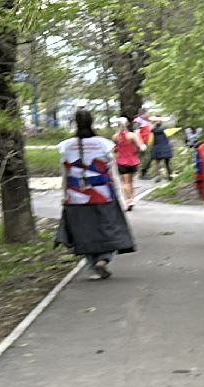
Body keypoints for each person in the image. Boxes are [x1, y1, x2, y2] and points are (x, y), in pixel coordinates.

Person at [54, 109, 135, 280]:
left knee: (83, 231)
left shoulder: (65, 146)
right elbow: (112, 172)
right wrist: (119, 196)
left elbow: (64, 173)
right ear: (92, 122)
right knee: (109, 228)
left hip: (75, 196)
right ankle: (104, 259)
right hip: (102, 194)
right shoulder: (103, 144)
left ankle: (92, 267)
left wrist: (64, 195)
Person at [112, 115, 146, 208]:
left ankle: (128, 200)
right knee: (131, 181)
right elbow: (141, 147)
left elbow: (115, 149)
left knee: (125, 182)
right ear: (127, 124)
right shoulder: (132, 135)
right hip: (133, 161)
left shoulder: (115, 137)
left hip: (121, 161)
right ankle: (132, 199)